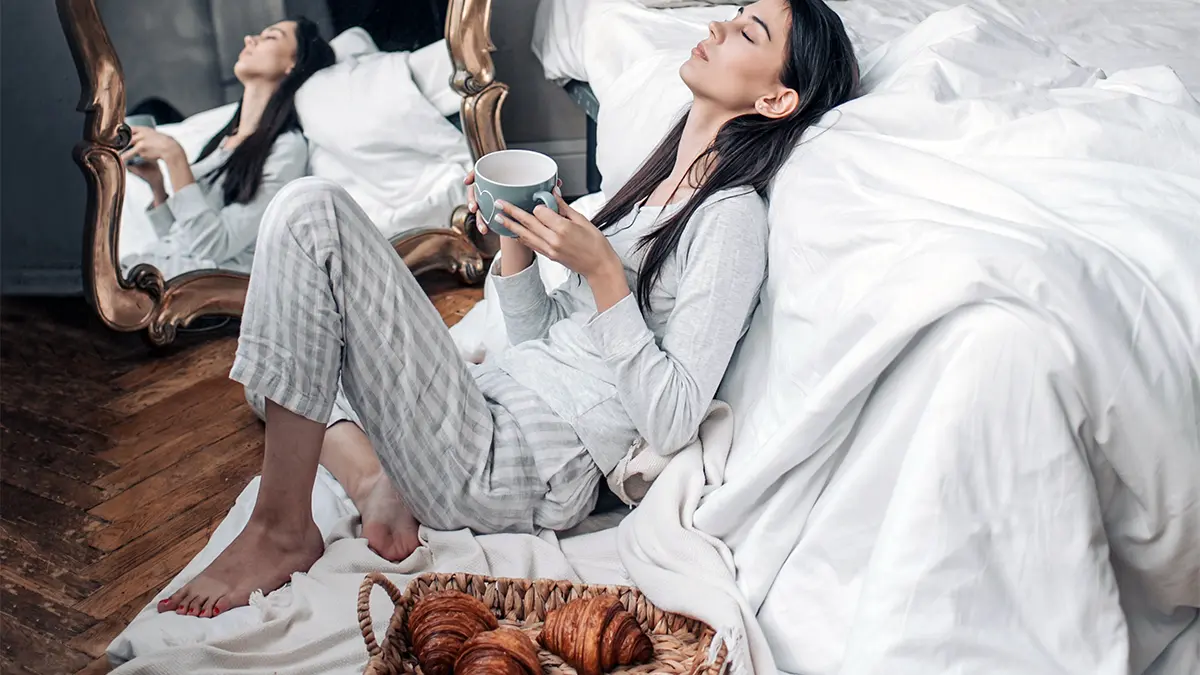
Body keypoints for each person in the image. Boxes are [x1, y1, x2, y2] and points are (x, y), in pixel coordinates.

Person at [157, 0, 858, 618]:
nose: (718, 25)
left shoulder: (728, 220)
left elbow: (672, 418)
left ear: (775, 99)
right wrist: (515, 247)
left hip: (513, 461)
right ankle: (375, 480)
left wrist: (605, 273)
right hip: (490, 401)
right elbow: (537, 342)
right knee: (283, 355)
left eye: (747, 30)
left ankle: (283, 528)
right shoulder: (653, 182)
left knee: (312, 213)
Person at [121, 18, 335, 279]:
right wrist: (157, 186)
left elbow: (214, 247)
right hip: (153, 269)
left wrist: (173, 156)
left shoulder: (286, 149)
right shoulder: (222, 143)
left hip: (192, 293)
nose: (250, 39)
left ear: (294, 63)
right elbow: (179, 239)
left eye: (271, 37)